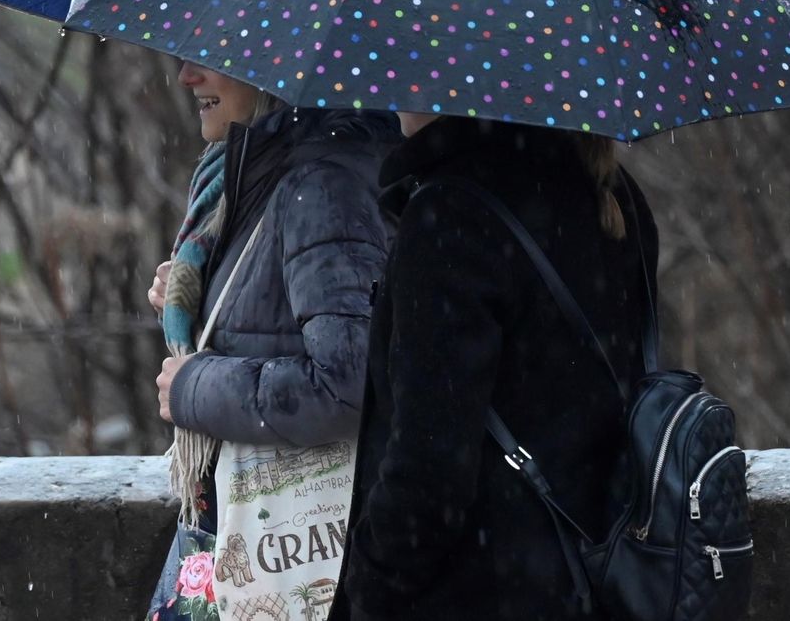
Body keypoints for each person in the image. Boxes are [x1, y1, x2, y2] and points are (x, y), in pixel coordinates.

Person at [330, 113, 657, 620]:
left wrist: (369, 585)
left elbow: (429, 472)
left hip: (477, 592)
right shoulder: (615, 196)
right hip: (597, 579)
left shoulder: (450, 214)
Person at [144, 62, 399, 620]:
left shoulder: (322, 184)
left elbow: (347, 381)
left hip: (281, 544)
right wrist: (202, 296)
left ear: (273, 71)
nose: (187, 77)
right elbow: (279, 311)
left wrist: (194, 386)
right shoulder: (262, 174)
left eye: (212, 59)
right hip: (242, 532)